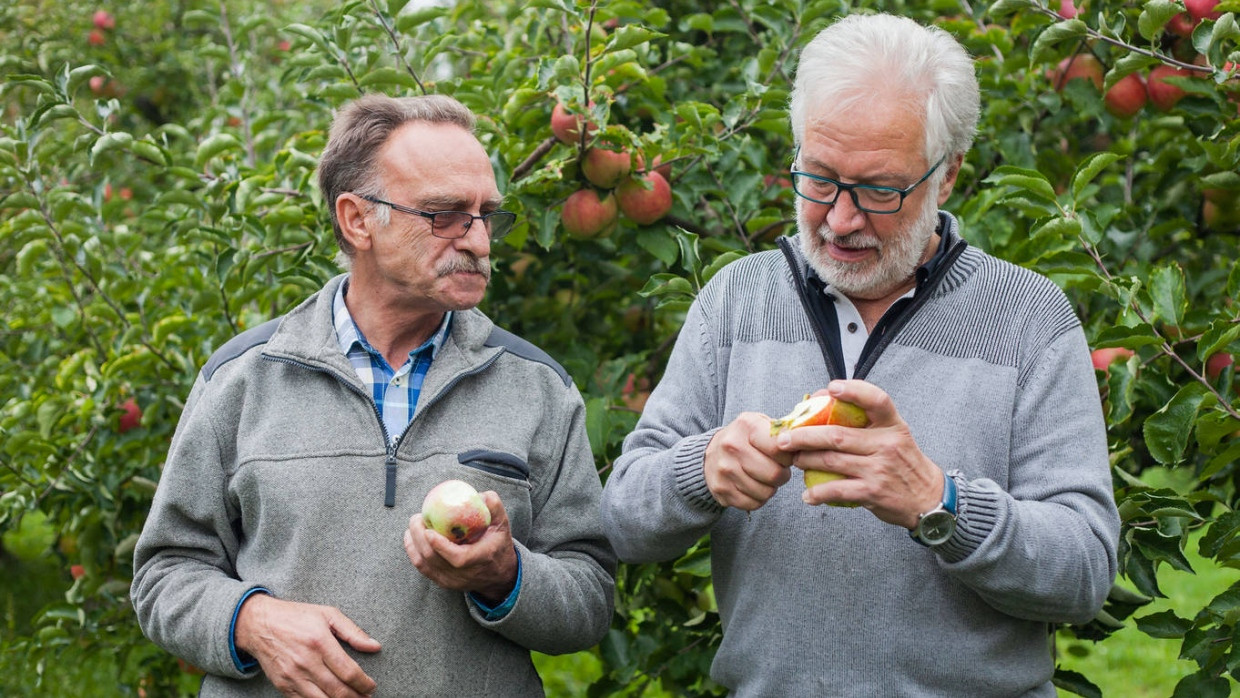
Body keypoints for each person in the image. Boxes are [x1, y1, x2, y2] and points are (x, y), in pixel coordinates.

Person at [600, 13, 1119, 697]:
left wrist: (941, 503)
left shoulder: (1026, 319)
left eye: (879, 190)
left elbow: (1082, 572)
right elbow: (622, 520)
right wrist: (701, 470)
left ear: (948, 177)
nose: (840, 219)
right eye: (818, 178)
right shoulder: (736, 301)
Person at [131, 93, 616, 697]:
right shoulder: (245, 379)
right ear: (358, 219)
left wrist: (507, 575)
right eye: (444, 215)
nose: (480, 242)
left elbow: (590, 597)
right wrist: (251, 621)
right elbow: (164, 573)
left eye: (486, 215)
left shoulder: (535, 388)